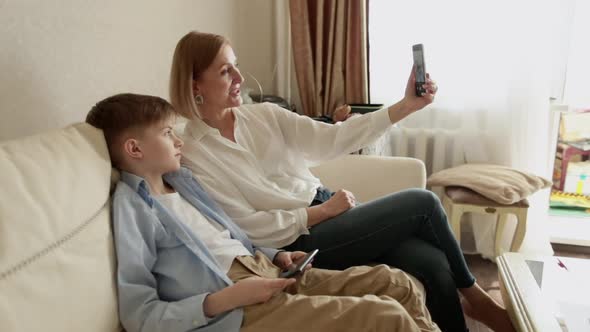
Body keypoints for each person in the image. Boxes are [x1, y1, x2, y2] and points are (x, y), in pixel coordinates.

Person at [168, 31, 515, 332]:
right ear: (195, 84)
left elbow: (333, 139)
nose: (240, 76)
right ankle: (477, 299)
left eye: (237, 64)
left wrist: (406, 106)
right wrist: (318, 214)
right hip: (297, 237)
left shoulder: (262, 116)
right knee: (422, 203)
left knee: (430, 261)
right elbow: (249, 227)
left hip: (329, 206)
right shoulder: (194, 153)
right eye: (226, 71)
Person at [86, 93, 440, 332]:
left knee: (398, 282)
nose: (179, 141)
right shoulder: (132, 209)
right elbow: (139, 315)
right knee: (385, 316)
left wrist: (278, 254)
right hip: (234, 306)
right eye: (167, 134)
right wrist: (223, 300)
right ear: (134, 148)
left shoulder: (182, 181)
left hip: (263, 268)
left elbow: (231, 237)